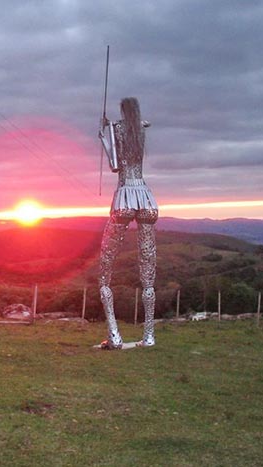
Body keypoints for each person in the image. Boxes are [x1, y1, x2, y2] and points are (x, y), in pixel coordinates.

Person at [98, 97, 158, 349]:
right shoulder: (141, 128)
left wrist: (105, 132)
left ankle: (115, 335)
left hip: (124, 195)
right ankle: (149, 336)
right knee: (148, 268)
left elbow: (114, 166)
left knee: (105, 269)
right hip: (145, 197)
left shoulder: (118, 129)